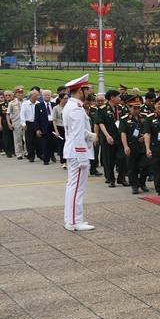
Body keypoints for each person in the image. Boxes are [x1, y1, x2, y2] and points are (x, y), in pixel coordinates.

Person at [62, 74, 96, 231]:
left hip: (72, 150)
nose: (88, 92)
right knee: (77, 188)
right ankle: (75, 221)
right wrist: (83, 156)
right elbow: (77, 134)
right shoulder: (76, 108)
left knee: (72, 186)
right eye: (86, 89)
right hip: (77, 152)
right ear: (80, 91)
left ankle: (71, 219)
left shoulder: (71, 105)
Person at [95, 90, 128, 187]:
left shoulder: (121, 108)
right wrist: (107, 135)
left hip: (119, 138)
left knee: (122, 158)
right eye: (118, 97)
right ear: (112, 98)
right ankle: (110, 179)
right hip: (108, 138)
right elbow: (100, 123)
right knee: (109, 160)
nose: (120, 98)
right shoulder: (102, 109)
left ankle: (121, 178)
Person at [120, 96, 150, 194]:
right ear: (129, 107)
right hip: (131, 145)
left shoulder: (145, 117)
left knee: (145, 165)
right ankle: (134, 185)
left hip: (142, 146)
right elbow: (123, 133)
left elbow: (148, 131)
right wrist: (125, 146)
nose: (137, 110)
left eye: (138, 108)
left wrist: (145, 137)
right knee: (132, 167)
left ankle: (142, 183)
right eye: (134, 108)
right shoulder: (125, 119)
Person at [7, 86, 25, 159]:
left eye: (21, 93)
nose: (20, 95)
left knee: (26, 138)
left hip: (24, 122)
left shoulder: (26, 102)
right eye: (19, 93)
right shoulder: (12, 103)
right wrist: (9, 123)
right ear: (16, 94)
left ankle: (26, 152)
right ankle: (19, 153)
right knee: (17, 139)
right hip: (16, 122)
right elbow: (8, 113)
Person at [51, 92, 68, 168]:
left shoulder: (68, 107)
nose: (66, 100)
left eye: (67, 98)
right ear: (60, 99)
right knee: (61, 145)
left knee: (68, 145)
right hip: (59, 127)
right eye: (65, 98)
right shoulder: (56, 108)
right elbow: (54, 120)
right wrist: (56, 131)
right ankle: (63, 161)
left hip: (67, 127)